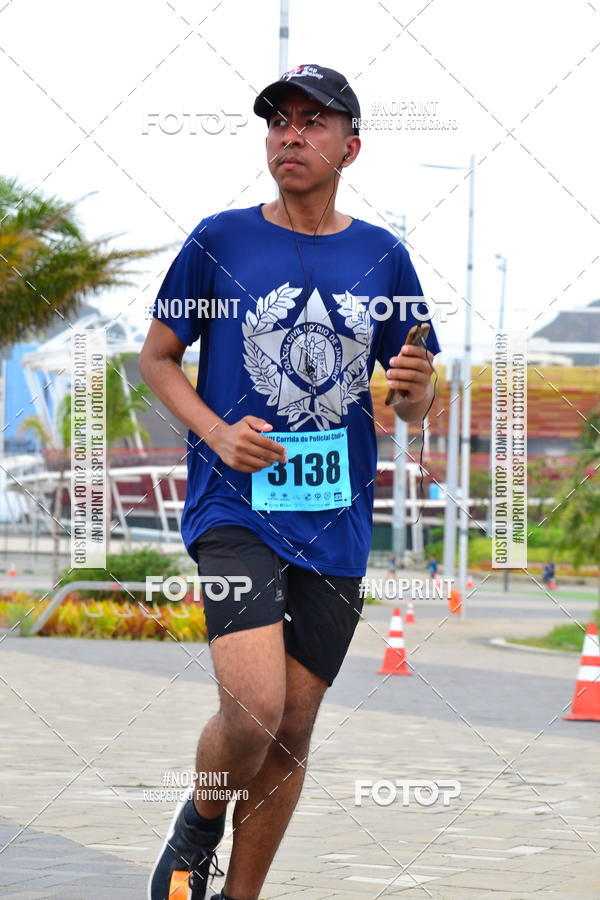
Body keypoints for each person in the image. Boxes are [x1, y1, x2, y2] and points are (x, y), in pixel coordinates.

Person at [141, 63, 442, 900]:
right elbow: (157, 359)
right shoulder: (219, 241)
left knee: (295, 725)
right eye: (279, 122)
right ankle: (198, 826)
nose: (291, 135)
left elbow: (413, 398)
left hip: (334, 518)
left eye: (313, 122)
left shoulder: (382, 256)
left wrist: (416, 392)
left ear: (351, 146)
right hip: (234, 504)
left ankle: (241, 896)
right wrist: (215, 432)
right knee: (255, 709)